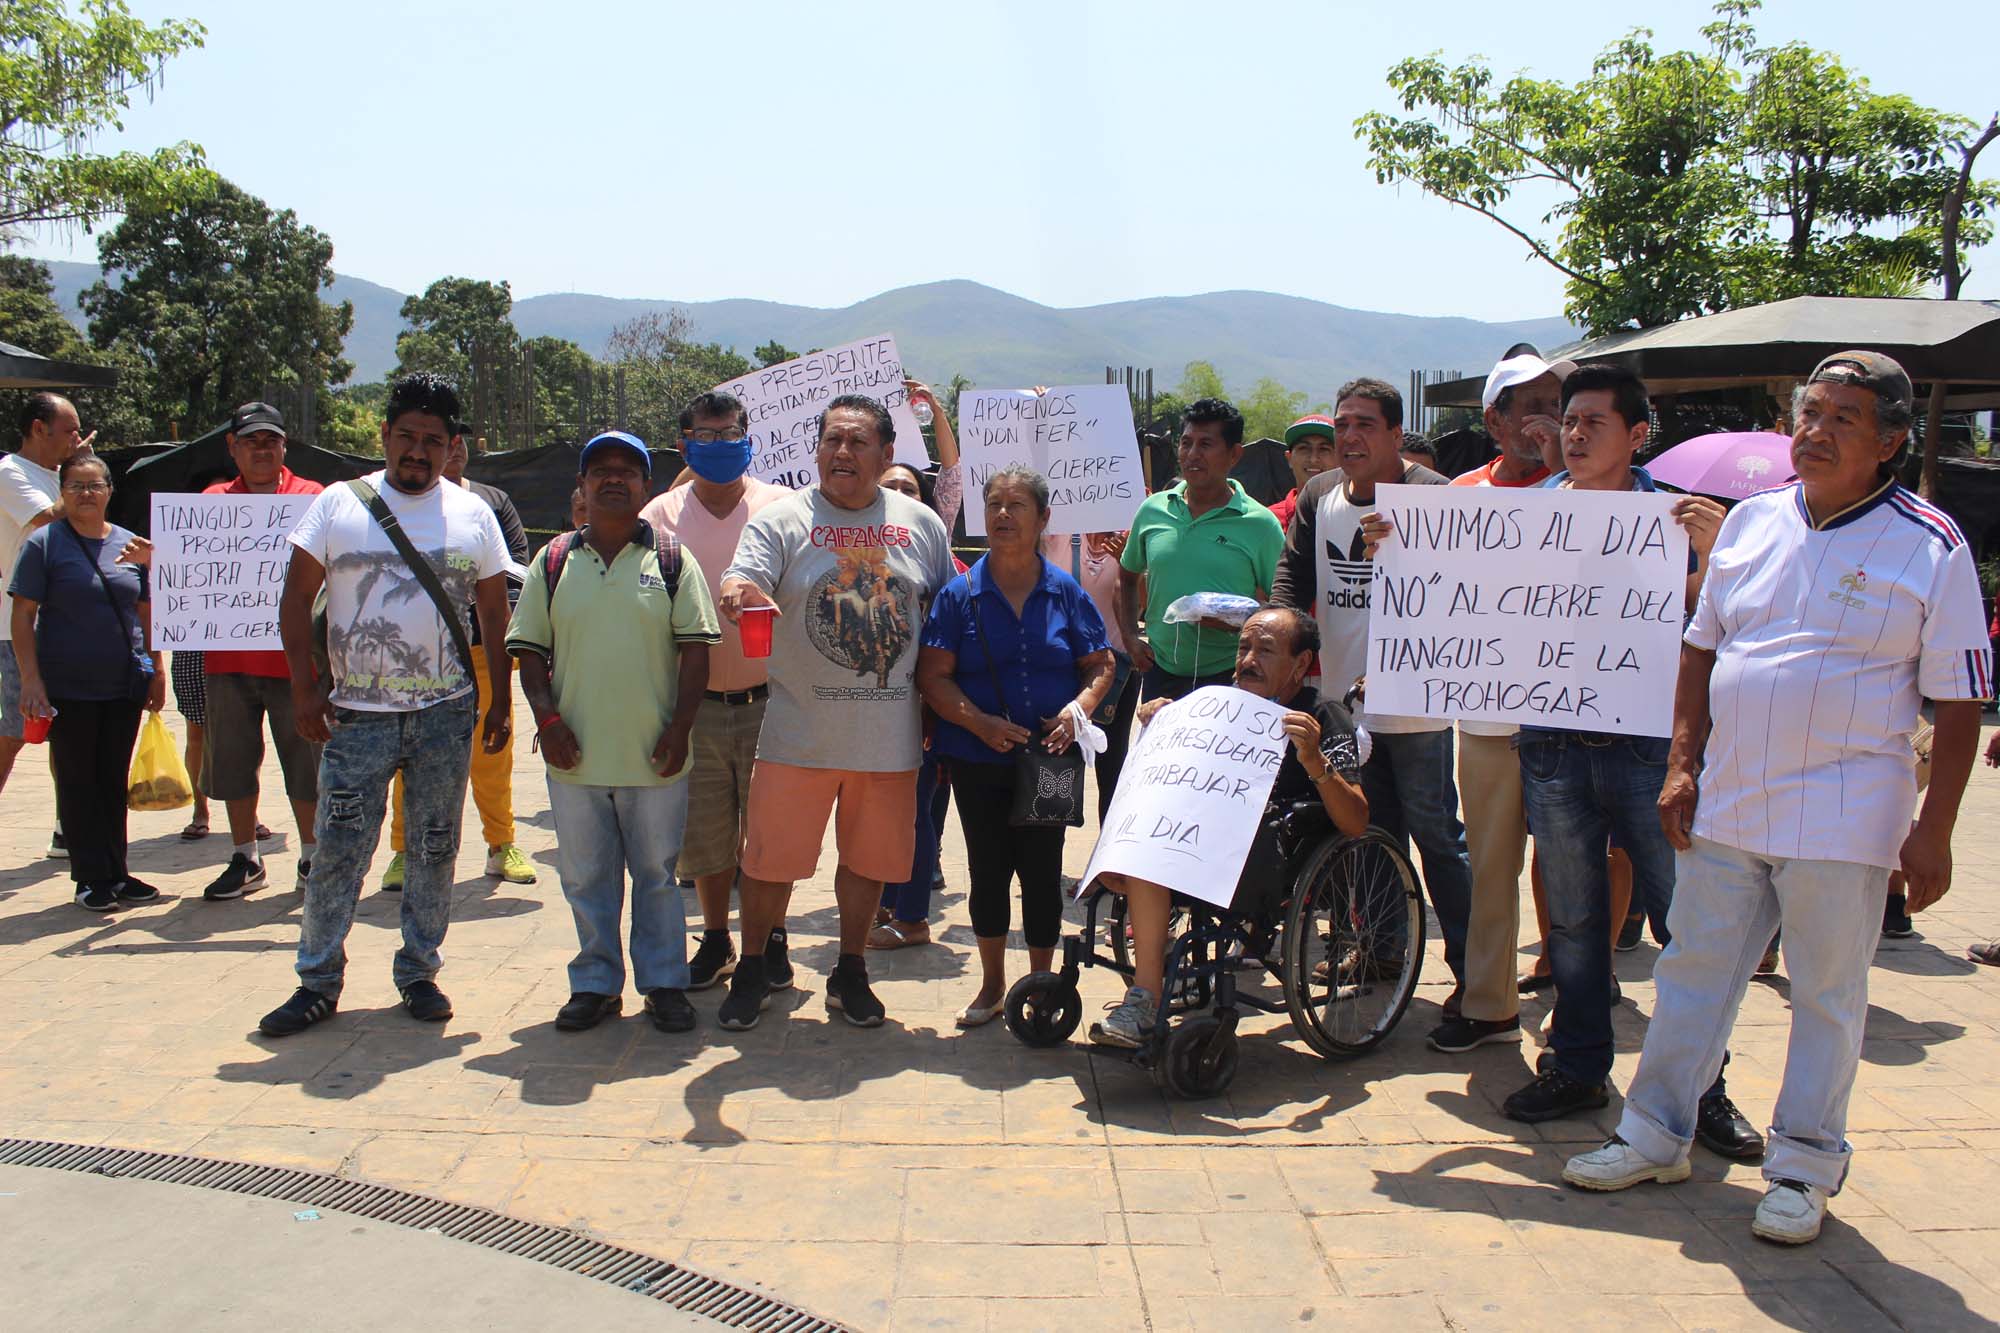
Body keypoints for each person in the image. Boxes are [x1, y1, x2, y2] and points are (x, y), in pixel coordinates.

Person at [1565, 350, 1991, 1246]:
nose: (1818, 432)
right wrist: (1684, 761)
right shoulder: (1751, 524)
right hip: (1731, 795)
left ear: (1893, 440)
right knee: (1691, 972)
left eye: (1844, 418)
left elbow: (1960, 699)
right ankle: (1654, 1132)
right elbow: (1700, 648)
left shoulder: (1930, 542)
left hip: (1849, 804)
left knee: (1828, 995)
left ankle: (1803, 1164)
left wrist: (1936, 831)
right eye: (1809, 413)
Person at [1492, 363, 1735, 1132]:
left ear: (1637, 435)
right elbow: (1465, 598)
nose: (1575, 433)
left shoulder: (1682, 521)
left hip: (1649, 750)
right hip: (1553, 745)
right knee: (1571, 919)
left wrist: (1716, 562)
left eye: (1595, 421)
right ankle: (1578, 1066)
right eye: (1569, 419)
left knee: (1682, 919)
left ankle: (1703, 1088)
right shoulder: (1520, 513)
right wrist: (1398, 547)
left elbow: (1723, 624)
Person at [258, 373, 514, 1037]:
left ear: (452, 446)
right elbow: (293, 601)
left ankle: (419, 970)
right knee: (340, 845)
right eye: (407, 436)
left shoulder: (473, 513)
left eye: (433, 440)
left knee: (435, 845)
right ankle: (316, 980)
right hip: (356, 716)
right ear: (385, 436)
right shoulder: (339, 504)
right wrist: (304, 687)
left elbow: (493, 609)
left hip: (446, 712)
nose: (418, 451)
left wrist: (499, 703)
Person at [715, 394, 955, 1031]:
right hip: (798, 733)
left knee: (870, 861)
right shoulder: (782, 520)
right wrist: (741, 594)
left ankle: (850, 970)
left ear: (886, 454)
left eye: (856, 442)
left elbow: (946, 616)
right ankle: (752, 965)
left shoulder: (920, 523)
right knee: (768, 862)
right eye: (831, 441)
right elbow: (745, 578)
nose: (842, 453)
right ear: (816, 449)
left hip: (889, 737)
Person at [1271, 378, 1473, 1008]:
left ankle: (1473, 972)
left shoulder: (1434, 498)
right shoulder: (1319, 495)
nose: (1350, 437)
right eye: (1342, 425)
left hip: (1416, 708)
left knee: (1437, 837)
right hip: (1339, 707)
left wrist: (1415, 548)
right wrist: (1276, 638)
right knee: (1363, 832)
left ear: (1394, 433)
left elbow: (1466, 593)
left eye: (1364, 425)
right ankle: (1381, 950)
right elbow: (1291, 576)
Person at [510, 431, 719, 1033]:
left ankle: (663, 983)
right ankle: (595, 984)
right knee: (584, 878)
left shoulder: (674, 561)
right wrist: (547, 721)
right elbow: (529, 653)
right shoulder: (551, 563)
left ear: (645, 486)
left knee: (657, 876)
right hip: (574, 756)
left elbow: (696, 651)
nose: (613, 479)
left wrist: (680, 730)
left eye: (628, 470)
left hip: (655, 756)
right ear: (581, 485)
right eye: (599, 469)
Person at [1088, 607, 1368, 1044]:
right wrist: (1161, 725)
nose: (1248, 659)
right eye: (1244, 647)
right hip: (1197, 842)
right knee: (1146, 845)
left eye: (1265, 650)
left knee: (1159, 852)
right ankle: (1144, 998)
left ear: (1300, 664)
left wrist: (1315, 759)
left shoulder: (1323, 716)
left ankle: (1146, 997)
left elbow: (1355, 821)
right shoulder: (1217, 705)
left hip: (1270, 859)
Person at [917, 465, 1115, 1025]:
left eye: (1016, 506)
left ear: (1043, 518)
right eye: (994, 506)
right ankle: (991, 986)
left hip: (1049, 758)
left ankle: (1041, 983)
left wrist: (1079, 712)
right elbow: (933, 676)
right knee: (987, 868)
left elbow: (1100, 662)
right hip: (976, 759)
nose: (1002, 515)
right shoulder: (960, 595)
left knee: (1042, 868)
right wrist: (978, 722)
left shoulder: (1065, 590)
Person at [1429, 351, 1567, 1050]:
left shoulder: (1588, 494)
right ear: (1494, 420)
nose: (1545, 418)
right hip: (1488, 716)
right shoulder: (1457, 497)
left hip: (1573, 717)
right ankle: (1490, 1003)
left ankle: (1578, 999)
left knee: (1575, 866)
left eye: (1555, 403)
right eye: (1530, 404)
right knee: (1490, 865)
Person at [639, 391, 787, 988]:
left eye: (732, 435)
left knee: (769, 833)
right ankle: (718, 937)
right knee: (705, 835)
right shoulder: (658, 517)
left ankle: (770, 936)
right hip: (692, 706)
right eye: (708, 435)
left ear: (749, 439)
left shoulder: (783, 508)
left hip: (771, 701)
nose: (721, 446)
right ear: (683, 444)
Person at [9, 452, 166, 909]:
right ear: (62, 492)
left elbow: (147, 610)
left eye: (94, 485)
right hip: (68, 686)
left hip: (122, 683)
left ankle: (117, 871)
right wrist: (30, 680)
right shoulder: (44, 544)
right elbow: (23, 615)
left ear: (109, 491)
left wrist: (156, 668)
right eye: (76, 486)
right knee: (78, 780)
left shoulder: (129, 544)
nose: (86, 494)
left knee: (112, 779)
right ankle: (90, 878)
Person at [382, 431, 534, 890]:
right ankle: (404, 852)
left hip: (483, 651)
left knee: (492, 752)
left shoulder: (491, 501)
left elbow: (515, 567)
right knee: (411, 754)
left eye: (461, 441)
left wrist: (494, 616)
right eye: (446, 441)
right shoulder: (396, 503)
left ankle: (501, 843)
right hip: (417, 653)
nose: (457, 449)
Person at [197, 403, 325, 901]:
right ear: (232, 447)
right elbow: (192, 569)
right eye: (251, 441)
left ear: (284, 445)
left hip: (296, 661)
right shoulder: (209, 503)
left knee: (307, 759)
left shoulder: (312, 498)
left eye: (270, 439)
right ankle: (245, 856)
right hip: (227, 658)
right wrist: (160, 557)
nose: (262, 449)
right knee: (232, 758)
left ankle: (313, 856)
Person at [1119, 398, 1283, 700]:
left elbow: (1284, 609)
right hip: (1159, 672)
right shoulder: (1153, 509)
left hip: (1231, 677)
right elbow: (1127, 577)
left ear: (1234, 454)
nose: (1192, 454)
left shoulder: (1260, 524)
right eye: (1186, 443)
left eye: (1206, 444)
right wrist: (1130, 637)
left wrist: (1236, 621)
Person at [871, 442, 960, 949]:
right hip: (858, 707)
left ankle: (911, 915)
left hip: (916, 703)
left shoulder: (932, 551)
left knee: (915, 811)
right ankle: (882, 901)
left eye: (909, 488)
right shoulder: (840, 548)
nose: (900, 495)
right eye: (890, 487)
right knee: (878, 812)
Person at [0, 393, 92, 858]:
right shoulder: (11, 473)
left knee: (67, 730)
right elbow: (45, 519)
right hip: (17, 626)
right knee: (14, 731)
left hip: (63, 622)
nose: (77, 439)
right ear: (39, 428)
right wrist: (82, 479)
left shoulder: (57, 478)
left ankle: (66, 824)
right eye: (70, 430)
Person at [1270, 414, 1339, 531]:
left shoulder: (1358, 518)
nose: (1313, 459)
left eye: (1324, 449)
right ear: (1289, 458)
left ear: (1340, 460)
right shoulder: (1269, 521)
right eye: (1304, 448)